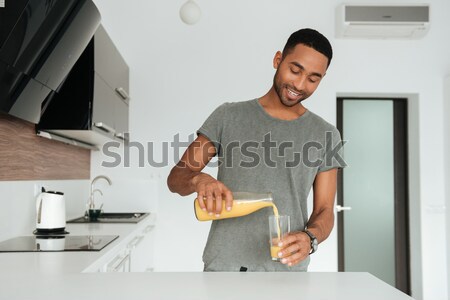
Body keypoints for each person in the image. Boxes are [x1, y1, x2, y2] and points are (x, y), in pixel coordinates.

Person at [167, 28, 345, 272]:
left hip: (287, 274)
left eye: (313, 79)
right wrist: (199, 179)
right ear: (277, 60)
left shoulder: (326, 135)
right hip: (225, 269)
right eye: (295, 70)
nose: (300, 85)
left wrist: (310, 238)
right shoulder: (228, 116)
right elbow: (176, 179)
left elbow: (325, 210)